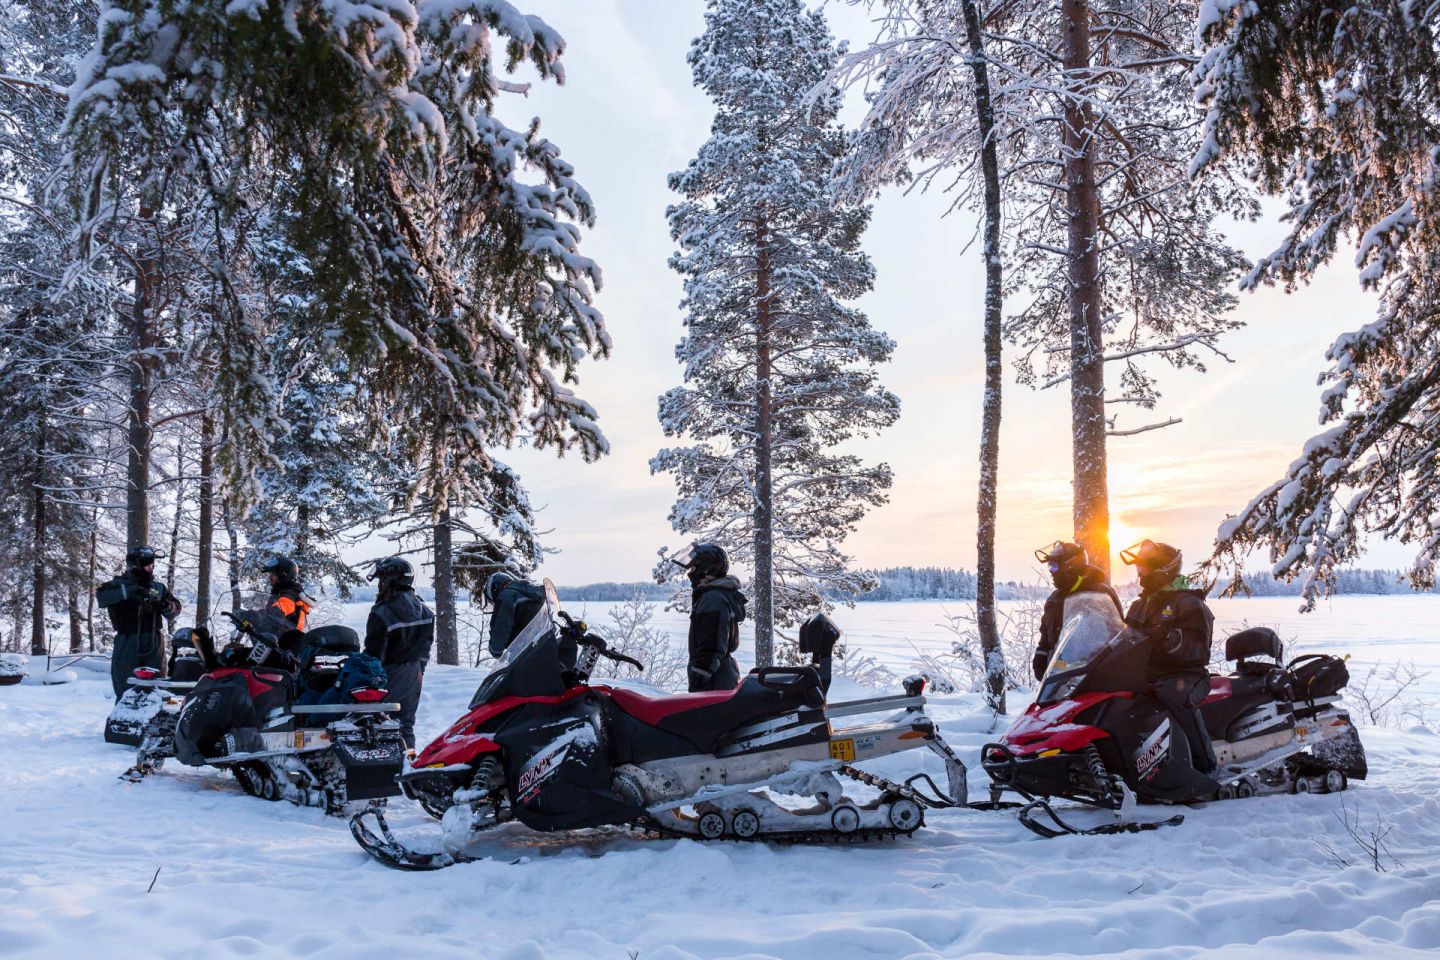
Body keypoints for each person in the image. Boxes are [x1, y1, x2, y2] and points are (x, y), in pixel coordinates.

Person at [1120, 539, 1217, 773]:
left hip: (1185, 674)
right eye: (1138, 568)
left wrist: (1168, 638)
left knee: (1174, 694)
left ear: (1162, 570)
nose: (1140, 573)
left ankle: (1204, 765)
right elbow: (1122, 637)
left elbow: (1199, 648)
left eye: (1144, 568)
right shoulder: (1138, 606)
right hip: (1148, 675)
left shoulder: (1188, 602)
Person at [364, 557, 435, 751]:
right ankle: (407, 767)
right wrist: (419, 671)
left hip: (388, 674)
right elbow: (426, 647)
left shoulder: (381, 613)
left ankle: (382, 771)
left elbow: (374, 655)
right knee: (405, 727)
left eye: (382, 579)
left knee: (378, 724)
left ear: (390, 580)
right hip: (414, 674)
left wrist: (370, 679)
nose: (380, 583)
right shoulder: (426, 613)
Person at [97, 545, 183, 698]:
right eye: (148, 566)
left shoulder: (158, 587)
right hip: (127, 640)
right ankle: (124, 717)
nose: (151, 569)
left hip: (153, 640)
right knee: (126, 685)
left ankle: (156, 717)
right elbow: (102, 597)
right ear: (136, 566)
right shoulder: (118, 585)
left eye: (152, 566)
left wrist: (163, 605)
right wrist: (128, 592)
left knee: (157, 686)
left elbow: (175, 610)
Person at [1032, 540, 1124, 680]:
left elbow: (1116, 633)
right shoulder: (1054, 599)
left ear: (1070, 566)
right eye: (1050, 566)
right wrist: (1041, 656)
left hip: (1093, 673)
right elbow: (1046, 636)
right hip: (1059, 673)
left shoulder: (1100, 594)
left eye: (1055, 566)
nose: (1051, 571)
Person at [672, 542, 745, 693]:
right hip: (719, 674)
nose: (690, 573)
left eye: (693, 568)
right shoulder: (715, 594)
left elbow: (712, 644)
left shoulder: (713, 598)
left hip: (713, 679)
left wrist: (701, 676)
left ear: (706, 569)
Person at [483, 571, 547, 658]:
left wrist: (495, 650)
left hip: (521, 654)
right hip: (540, 646)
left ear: (495, 588)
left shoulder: (507, 595)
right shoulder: (530, 593)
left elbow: (502, 625)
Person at [262, 556, 311, 632]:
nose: (270, 577)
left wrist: (255, 616)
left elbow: (278, 610)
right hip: (281, 638)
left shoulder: (290, 594)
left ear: (282, 576)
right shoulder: (280, 592)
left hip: (288, 641)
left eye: (273, 574)